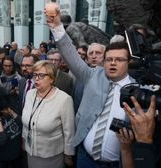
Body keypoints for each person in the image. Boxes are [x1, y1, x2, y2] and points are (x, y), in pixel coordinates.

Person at [45, 3, 135, 168]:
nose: (113, 63)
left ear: (129, 63)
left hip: (116, 163)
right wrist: (57, 27)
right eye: (109, 59)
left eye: (119, 59)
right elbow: (70, 53)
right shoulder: (92, 75)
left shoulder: (136, 91)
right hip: (84, 158)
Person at [22, 60, 75, 168]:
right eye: (35, 75)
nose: (36, 79)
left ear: (51, 78)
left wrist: (68, 155)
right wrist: (24, 140)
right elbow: (26, 122)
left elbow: (69, 131)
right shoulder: (30, 94)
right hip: (30, 152)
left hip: (52, 156)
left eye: (41, 75)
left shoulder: (64, 99)